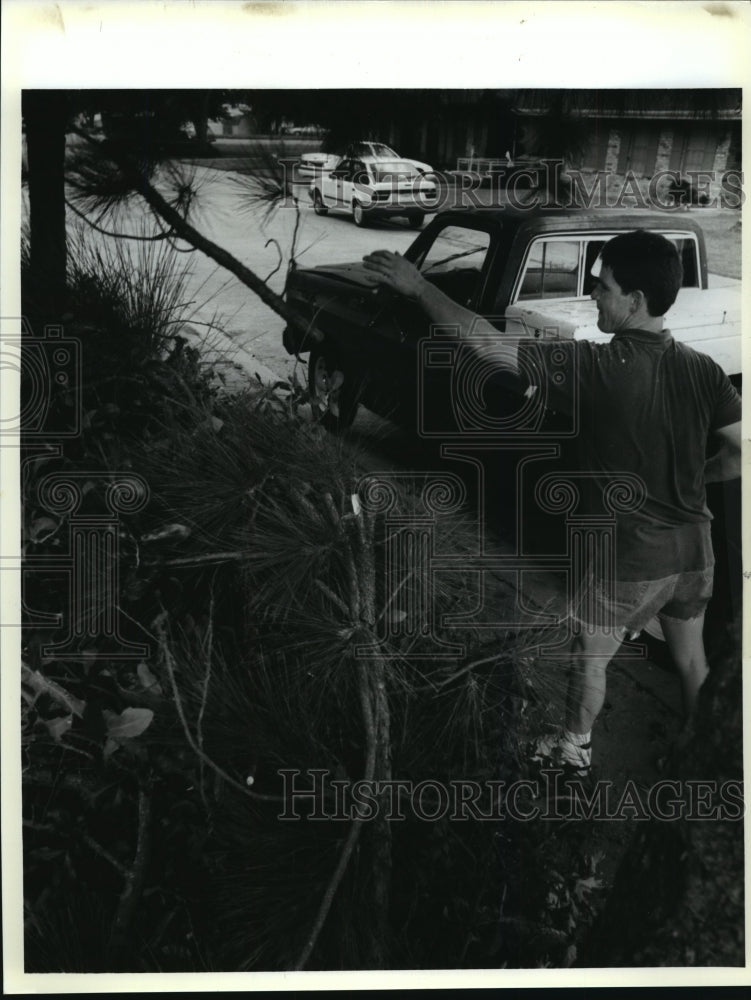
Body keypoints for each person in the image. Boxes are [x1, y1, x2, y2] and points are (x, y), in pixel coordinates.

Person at [362, 231, 742, 775]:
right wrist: (696, 483)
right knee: (691, 660)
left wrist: (419, 286)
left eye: (603, 287)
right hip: (694, 553)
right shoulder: (704, 369)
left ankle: (571, 751)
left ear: (635, 301)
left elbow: (488, 343)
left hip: (629, 560)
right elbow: (737, 452)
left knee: (588, 658)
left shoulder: (601, 370)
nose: (594, 295)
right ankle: (704, 763)